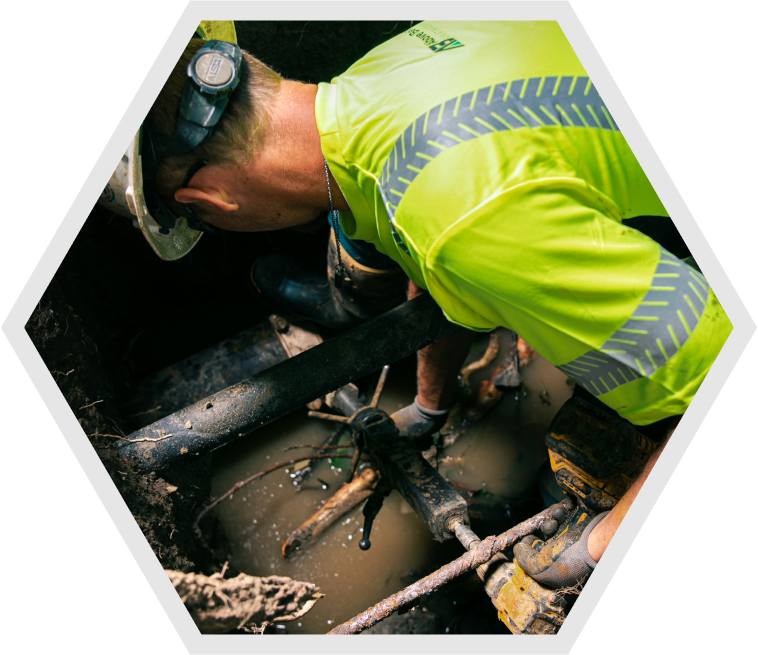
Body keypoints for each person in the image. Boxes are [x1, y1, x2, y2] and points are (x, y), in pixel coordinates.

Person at [101, 21, 732, 630]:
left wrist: (598, 547)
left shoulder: (463, 221)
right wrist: (429, 406)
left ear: (208, 204)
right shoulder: (383, 75)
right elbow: (434, 263)